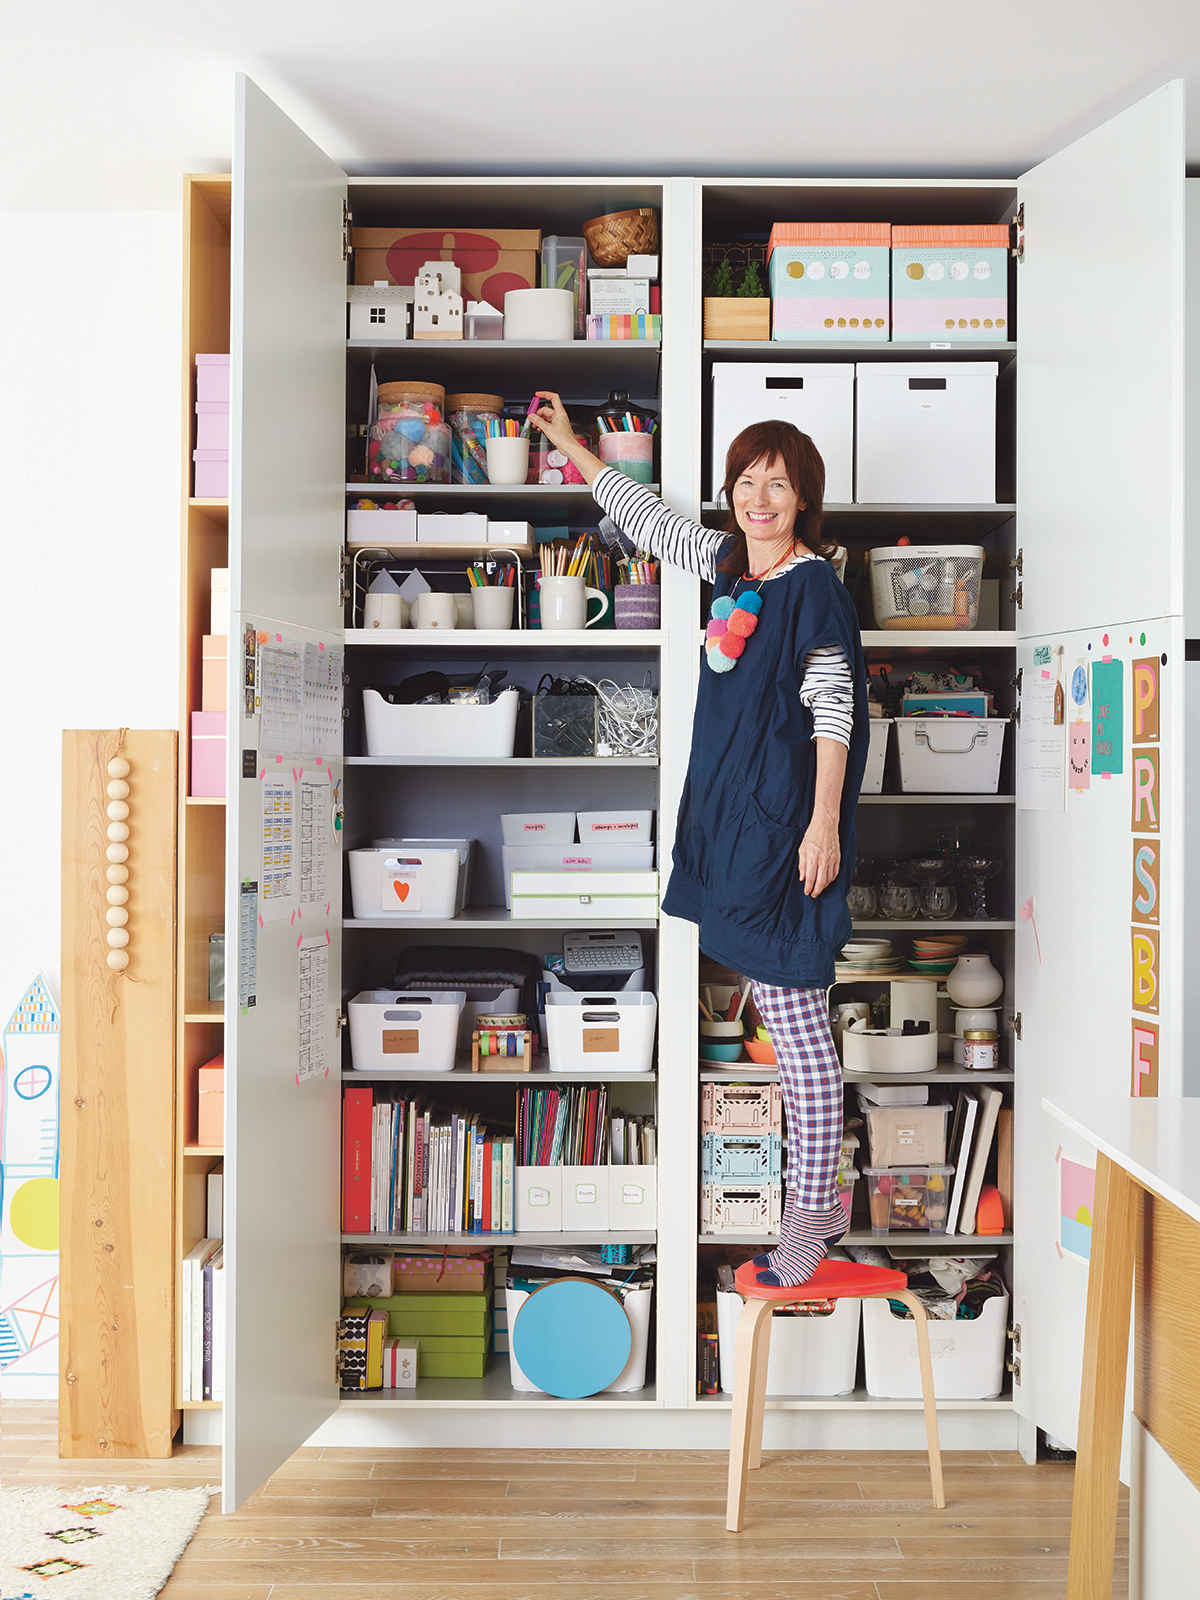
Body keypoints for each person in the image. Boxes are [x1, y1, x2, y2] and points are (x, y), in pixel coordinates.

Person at [530, 394, 869, 1288]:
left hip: (787, 832)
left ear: (804, 501)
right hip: (733, 823)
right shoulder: (729, 563)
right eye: (748, 482)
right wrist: (573, 446)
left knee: (797, 1028)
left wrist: (824, 822)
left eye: (779, 485)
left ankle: (811, 1212)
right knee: (782, 1010)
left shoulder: (815, 589)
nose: (760, 497)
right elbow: (646, 519)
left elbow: (833, 710)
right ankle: (823, 1199)